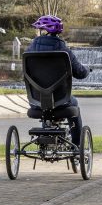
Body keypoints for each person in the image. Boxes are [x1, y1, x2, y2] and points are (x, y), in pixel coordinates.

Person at [24, 14, 90, 146]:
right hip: (61, 100)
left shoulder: (29, 50)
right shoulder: (64, 50)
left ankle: (45, 136)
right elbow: (80, 73)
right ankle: (77, 144)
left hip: (36, 100)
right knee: (74, 103)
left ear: (44, 31)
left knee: (44, 101)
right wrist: (88, 70)